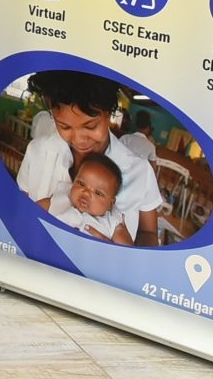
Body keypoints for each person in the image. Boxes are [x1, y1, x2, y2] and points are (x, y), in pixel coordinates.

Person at [12, 70, 165, 247]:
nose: (78, 140)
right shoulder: (37, 152)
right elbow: (21, 211)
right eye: (64, 126)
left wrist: (120, 258)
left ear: (108, 113)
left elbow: (148, 233)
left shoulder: (140, 171)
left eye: (90, 126)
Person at [51, 153, 136, 244]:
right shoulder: (60, 199)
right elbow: (34, 212)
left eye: (98, 193)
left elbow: (127, 252)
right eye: (81, 184)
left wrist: (110, 249)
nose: (86, 193)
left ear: (110, 204)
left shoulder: (112, 221)